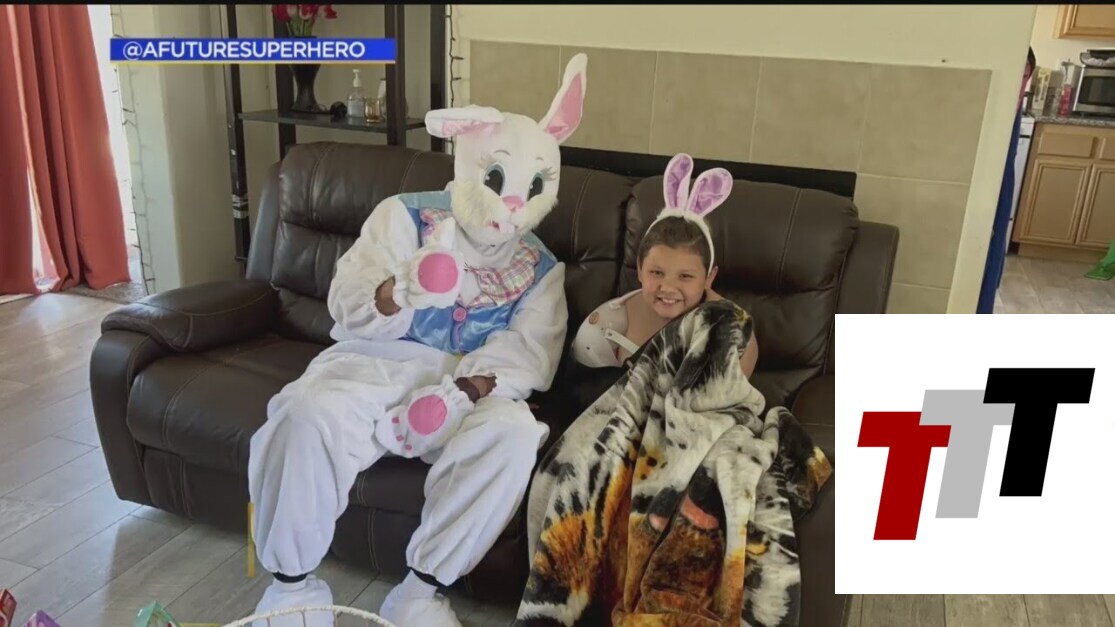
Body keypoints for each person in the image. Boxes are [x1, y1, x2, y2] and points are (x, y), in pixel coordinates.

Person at [247, 54, 588, 627]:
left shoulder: (541, 268)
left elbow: (531, 354)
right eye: (499, 180)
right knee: (304, 413)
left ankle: (419, 593)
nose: (512, 204)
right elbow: (348, 298)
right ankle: (291, 591)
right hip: (374, 361)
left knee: (513, 437)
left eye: (531, 188)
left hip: (467, 389)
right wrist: (400, 291)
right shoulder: (403, 217)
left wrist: (462, 391)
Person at [572, 153, 758, 384]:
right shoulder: (608, 322)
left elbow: (723, 401)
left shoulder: (734, 334)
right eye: (656, 273)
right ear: (640, 269)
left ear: (709, 278)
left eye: (685, 276)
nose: (668, 287)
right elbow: (584, 396)